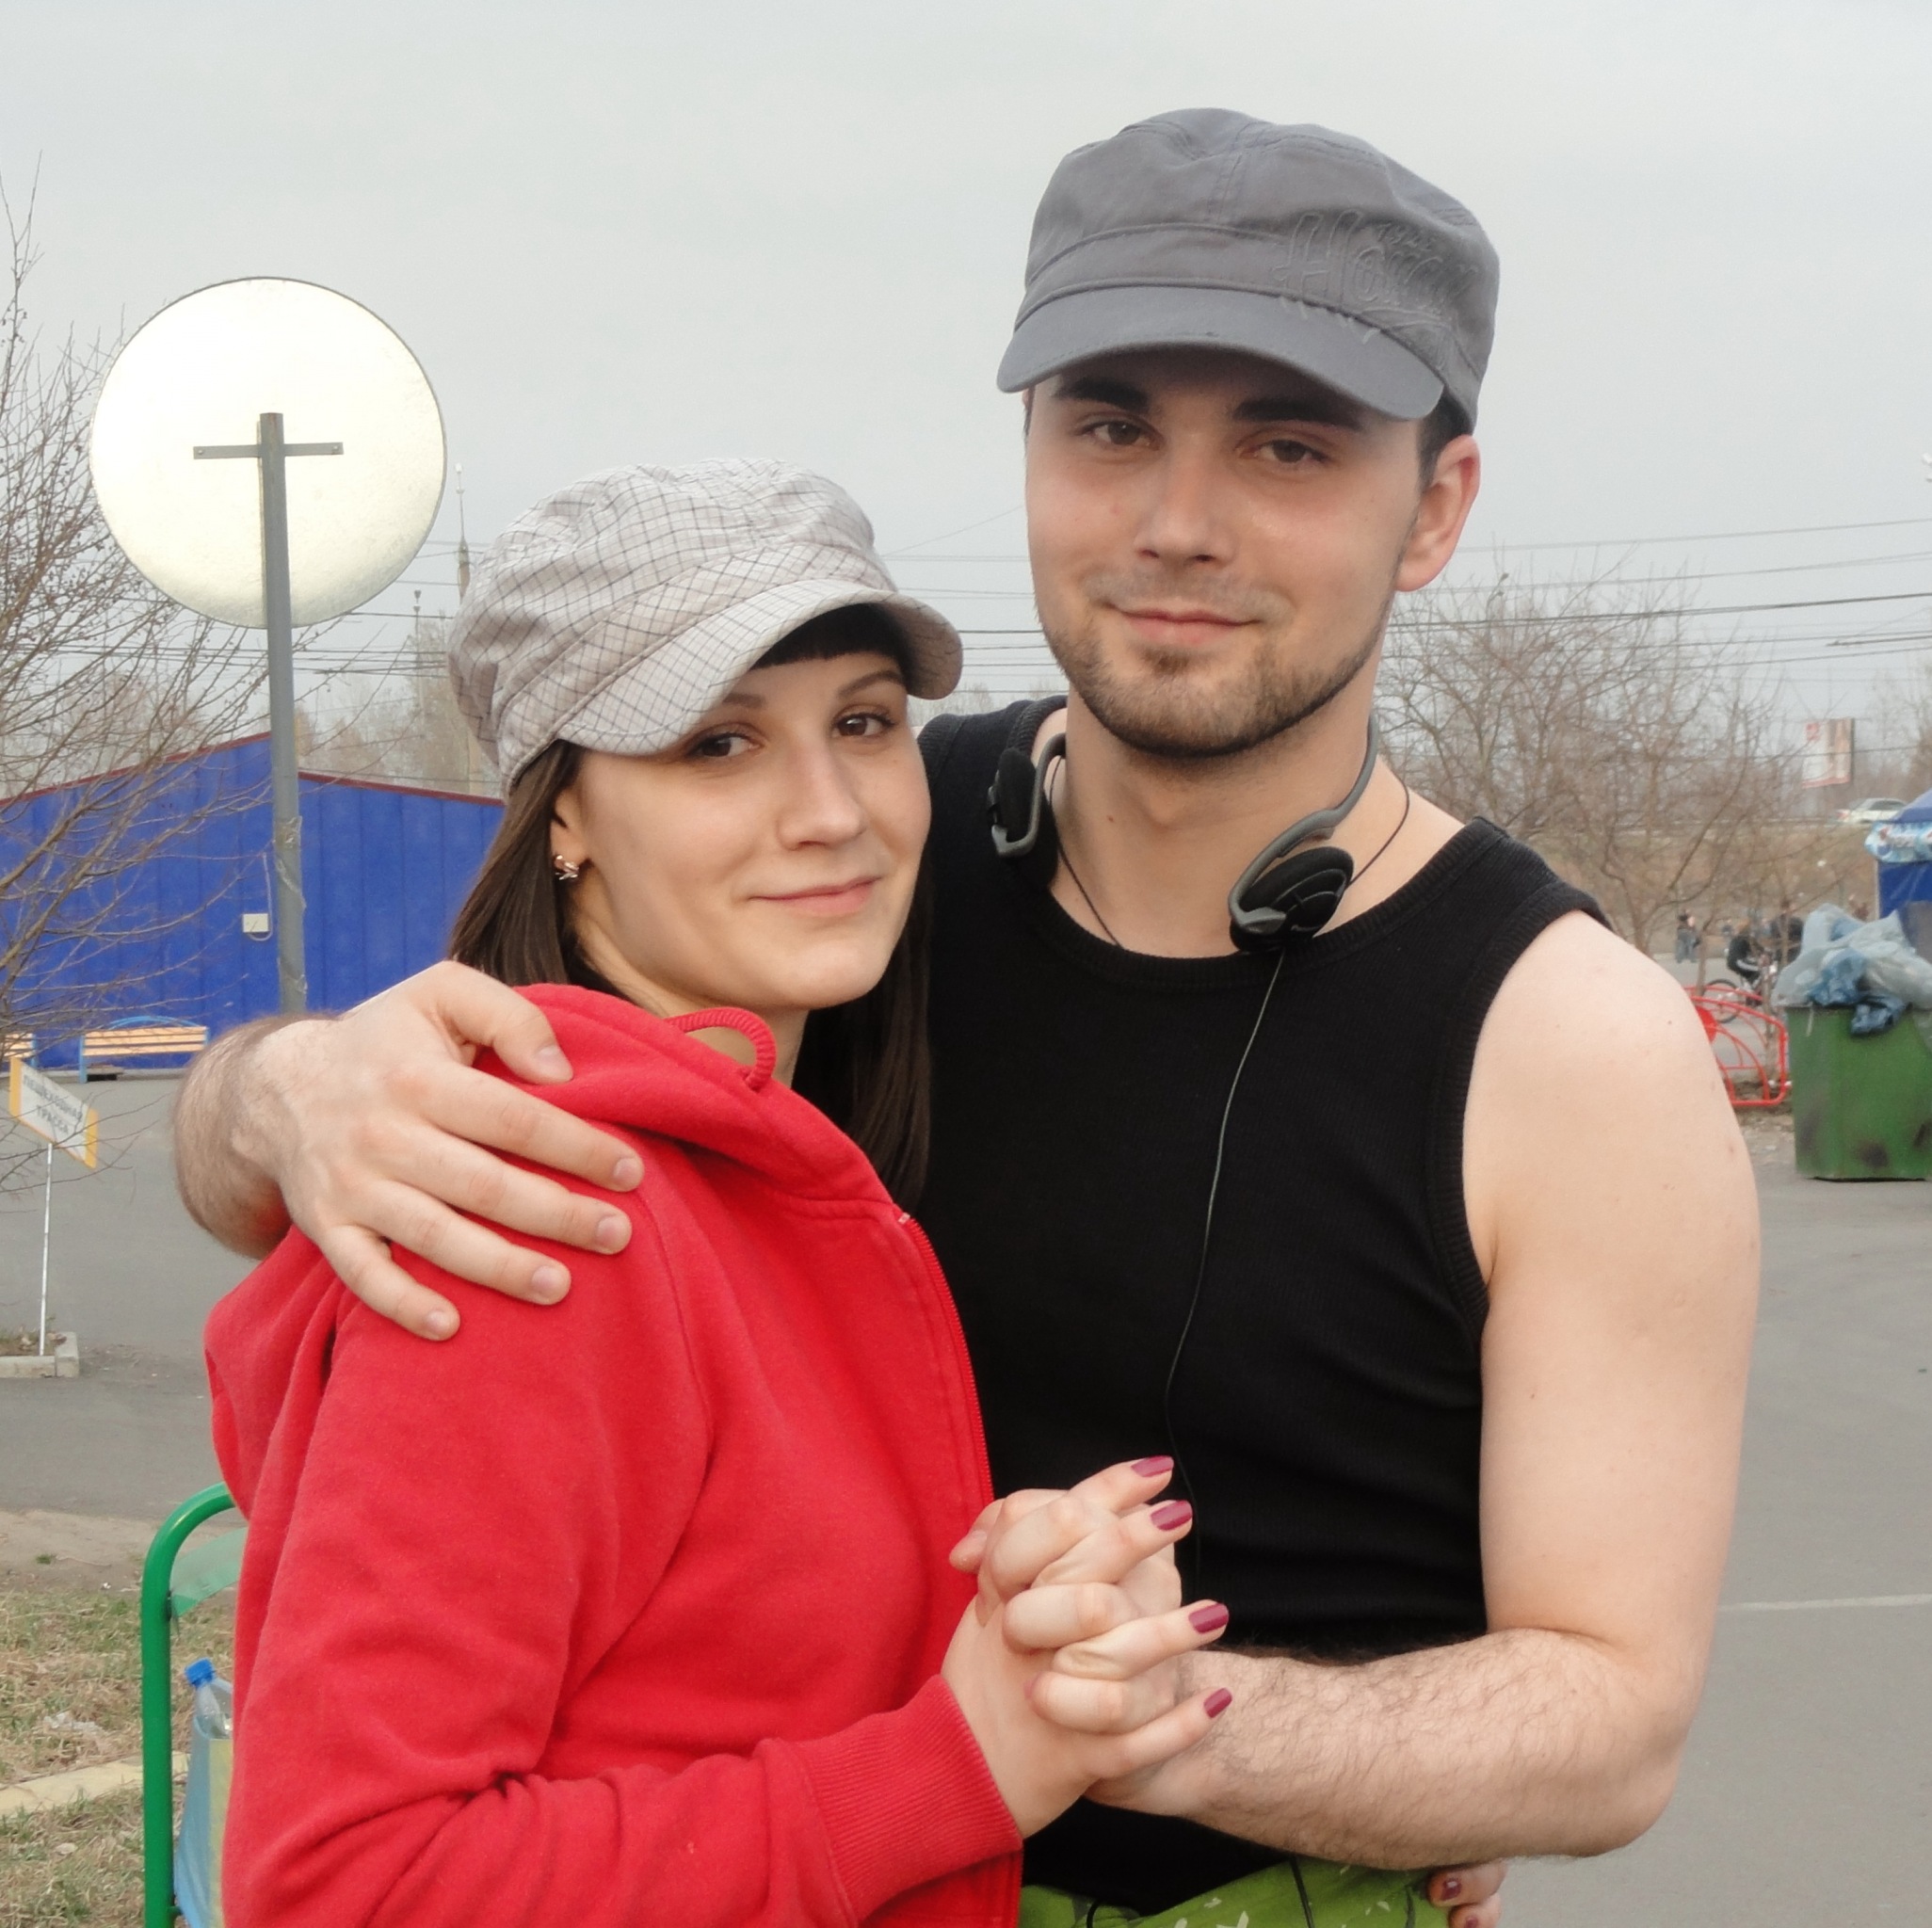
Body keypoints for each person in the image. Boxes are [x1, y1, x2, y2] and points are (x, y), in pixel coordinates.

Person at [176, 113, 1758, 1926]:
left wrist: (1154, 1718)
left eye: (1290, 445)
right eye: (1110, 428)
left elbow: (1610, 1721)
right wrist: (287, 1088)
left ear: (1440, 506)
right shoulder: (840, 878)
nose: (1177, 524)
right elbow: (414, 1174)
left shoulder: (1568, 1043)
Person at [201, 462, 1240, 1928]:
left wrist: (1028, 1614)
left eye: (863, 722)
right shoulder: (555, 1213)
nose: (829, 811)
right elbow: (347, 1889)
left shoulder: (776, 1165)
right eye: (718, 743)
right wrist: (959, 1766)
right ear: (564, 817)